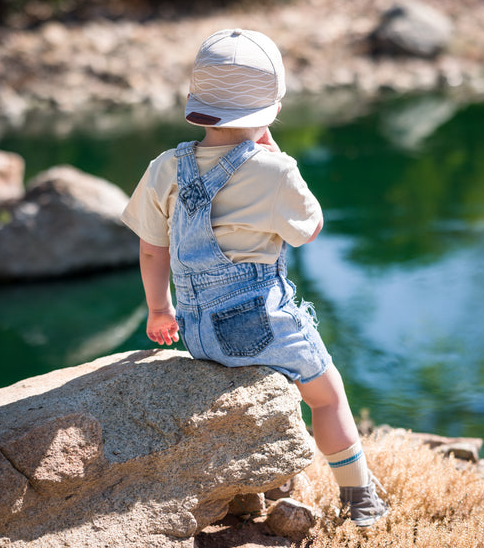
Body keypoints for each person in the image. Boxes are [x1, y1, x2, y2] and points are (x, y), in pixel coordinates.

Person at [121, 28, 388, 527]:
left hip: (198, 335)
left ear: (196, 103)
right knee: (328, 398)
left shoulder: (165, 167)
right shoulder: (275, 170)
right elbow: (309, 230)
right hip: (259, 328)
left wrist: (161, 310)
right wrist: (279, 157)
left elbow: (151, 247)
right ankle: (359, 496)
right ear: (271, 110)